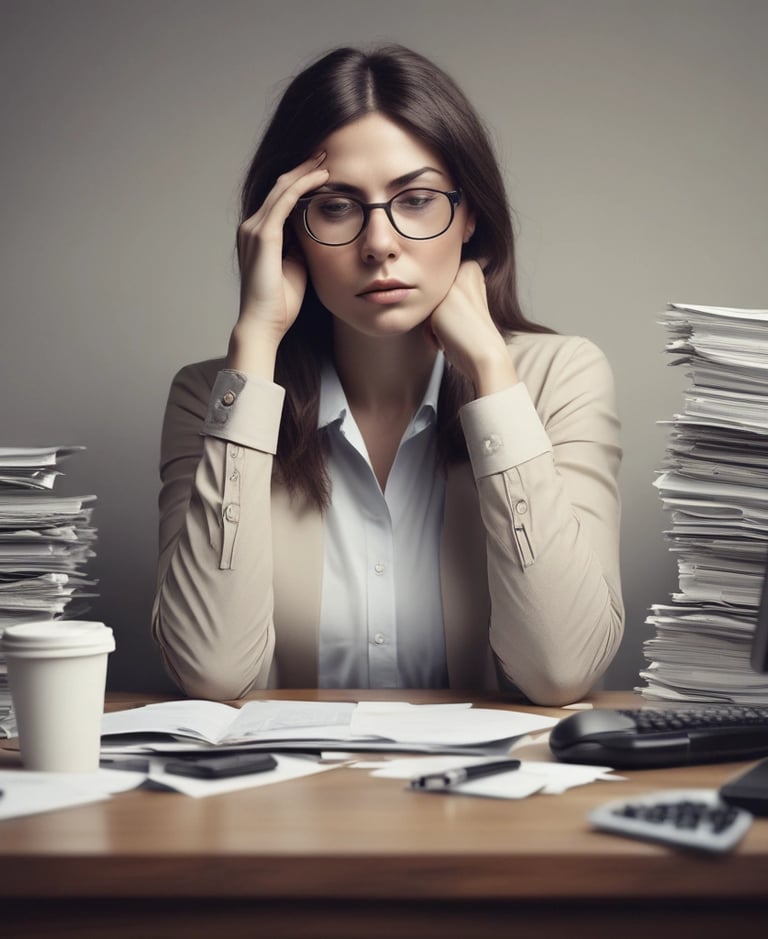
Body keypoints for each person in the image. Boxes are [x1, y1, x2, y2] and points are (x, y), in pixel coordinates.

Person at [151, 44, 624, 706]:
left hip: (490, 805)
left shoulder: (559, 378)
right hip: (287, 803)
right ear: (287, 231)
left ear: (469, 215)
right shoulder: (212, 396)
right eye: (338, 206)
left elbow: (562, 670)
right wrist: (255, 341)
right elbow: (211, 671)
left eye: (418, 198)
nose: (380, 243)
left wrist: (492, 372)